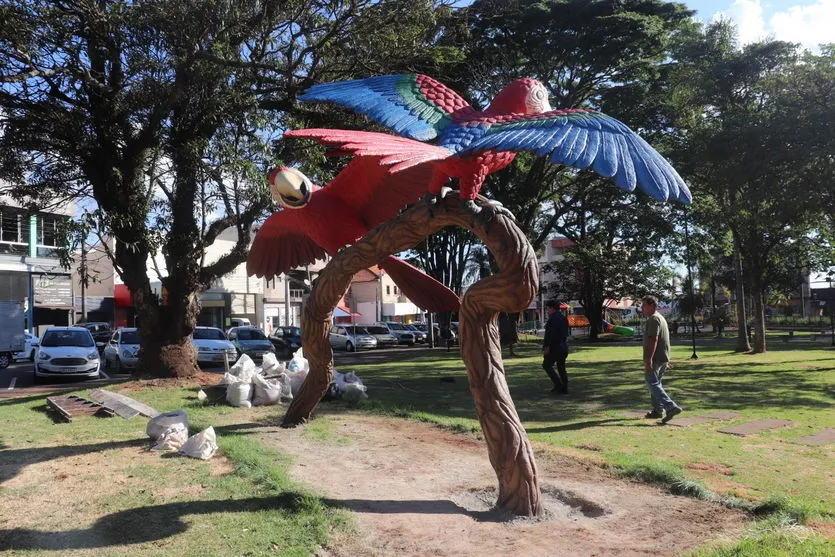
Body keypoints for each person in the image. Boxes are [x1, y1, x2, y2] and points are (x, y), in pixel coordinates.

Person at [641, 296, 682, 423]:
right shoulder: (660, 318)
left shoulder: (654, 319)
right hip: (662, 358)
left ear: (652, 305)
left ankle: (670, 407)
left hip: (656, 358)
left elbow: (654, 339)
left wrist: (649, 359)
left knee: (652, 383)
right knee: (655, 384)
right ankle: (658, 410)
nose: (642, 308)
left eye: (644, 305)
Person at [542, 300, 569, 394]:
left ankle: (558, 384)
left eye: (548, 308)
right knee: (561, 367)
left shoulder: (552, 319)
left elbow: (549, 335)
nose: (547, 310)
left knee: (546, 365)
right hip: (563, 346)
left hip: (554, 347)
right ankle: (564, 388)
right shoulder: (563, 318)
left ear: (552, 308)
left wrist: (546, 347)